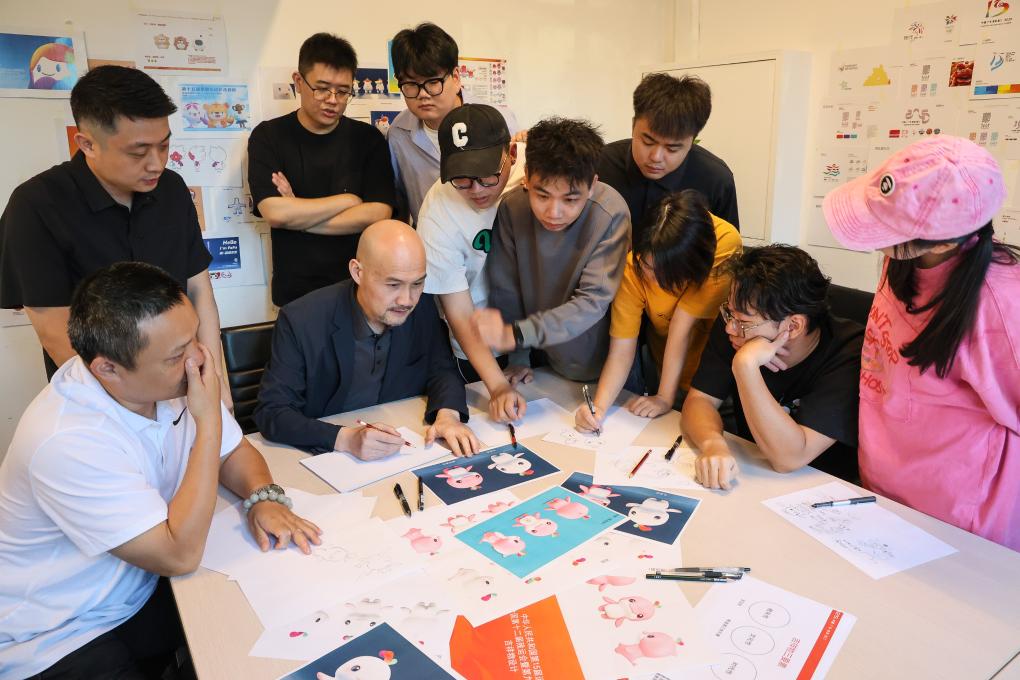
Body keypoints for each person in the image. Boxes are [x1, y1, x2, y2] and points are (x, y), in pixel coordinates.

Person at [0, 262, 320, 679]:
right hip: (58, 633)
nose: (198, 358)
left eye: (194, 337)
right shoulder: (67, 438)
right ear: (107, 369)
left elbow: (235, 452)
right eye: (176, 356)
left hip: (139, 588)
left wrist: (263, 498)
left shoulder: (165, 381)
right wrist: (208, 422)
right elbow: (179, 555)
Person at [823, 136, 1020, 551]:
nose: (879, 242)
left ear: (945, 243)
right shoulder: (903, 261)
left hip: (958, 513)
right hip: (883, 481)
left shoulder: (1002, 304)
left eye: (888, 232)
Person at [0, 65, 227, 397]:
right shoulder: (36, 205)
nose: (156, 163)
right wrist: (128, 411)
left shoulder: (172, 189)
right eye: (139, 152)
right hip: (100, 402)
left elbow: (198, 290)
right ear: (87, 144)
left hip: (184, 390)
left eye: (164, 146)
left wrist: (215, 384)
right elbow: (54, 332)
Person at [255, 220, 479, 458]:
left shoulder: (421, 306)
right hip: (326, 456)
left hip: (401, 443)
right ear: (357, 272)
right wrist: (345, 439)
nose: (406, 300)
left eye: (417, 283)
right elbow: (272, 411)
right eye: (393, 284)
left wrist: (448, 414)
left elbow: (442, 370)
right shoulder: (302, 320)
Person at [681, 245, 864, 489]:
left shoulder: (850, 352)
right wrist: (713, 443)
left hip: (822, 488)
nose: (729, 327)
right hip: (752, 471)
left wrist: (745, 366)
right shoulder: (737, 325)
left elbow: (789, 459)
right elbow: (699, 400)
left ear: (793, 326)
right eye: (730, 314)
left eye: (743, 321)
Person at [474, 117, 631, 383]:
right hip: (544, 362)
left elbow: (593, 301)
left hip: (603, 366)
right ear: (527, 176)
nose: (554, 212)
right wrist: (519, 357)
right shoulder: (513, 208)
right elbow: (507, 288)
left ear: (592, 185)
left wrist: (519, 334)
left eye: (570, 199)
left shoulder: (610, 213)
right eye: (542, 195)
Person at [248, 33, 397, 306]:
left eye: (343, 91)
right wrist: (348, 200)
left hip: (359, 290)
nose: (332, 99)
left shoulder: (368, 139)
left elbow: (378, 213)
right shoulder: (268, 136)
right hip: (295, 294)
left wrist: (298, 216)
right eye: (322, 88)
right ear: (298, 82)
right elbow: (275, 213)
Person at [575, 190, 741, 432]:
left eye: (667, 274)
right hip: (669, 373)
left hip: (718, 385)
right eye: (647, 266)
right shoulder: (633, 269)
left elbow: (682, 325)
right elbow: (622, 349)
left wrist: (664, 397)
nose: (653, 278)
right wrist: (598, 408)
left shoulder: (723, 243)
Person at [417, 104, 532, 423]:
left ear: (511, 154)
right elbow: (459, 312)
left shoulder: (535, 174)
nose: (477, 190)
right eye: (462, 180)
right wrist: (497, 386)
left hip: (536, 336)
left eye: (487, 177)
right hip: (476, 347)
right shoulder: (437, 212)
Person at [388, 22, 519, 224]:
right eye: (411, 84)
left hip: (493, 234)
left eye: (433, 82)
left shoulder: (498, 119)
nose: (423, 94)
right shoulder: (399, 132)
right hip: (433, 237)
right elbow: (400, 201)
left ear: (456, 77)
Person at [599, 72, 739, 247]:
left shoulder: (716, 181)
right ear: (633, 125)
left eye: (672, 148)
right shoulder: (600, 162)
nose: (656, 157)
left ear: (693, 140)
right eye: (648, 141)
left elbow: (726, 251)